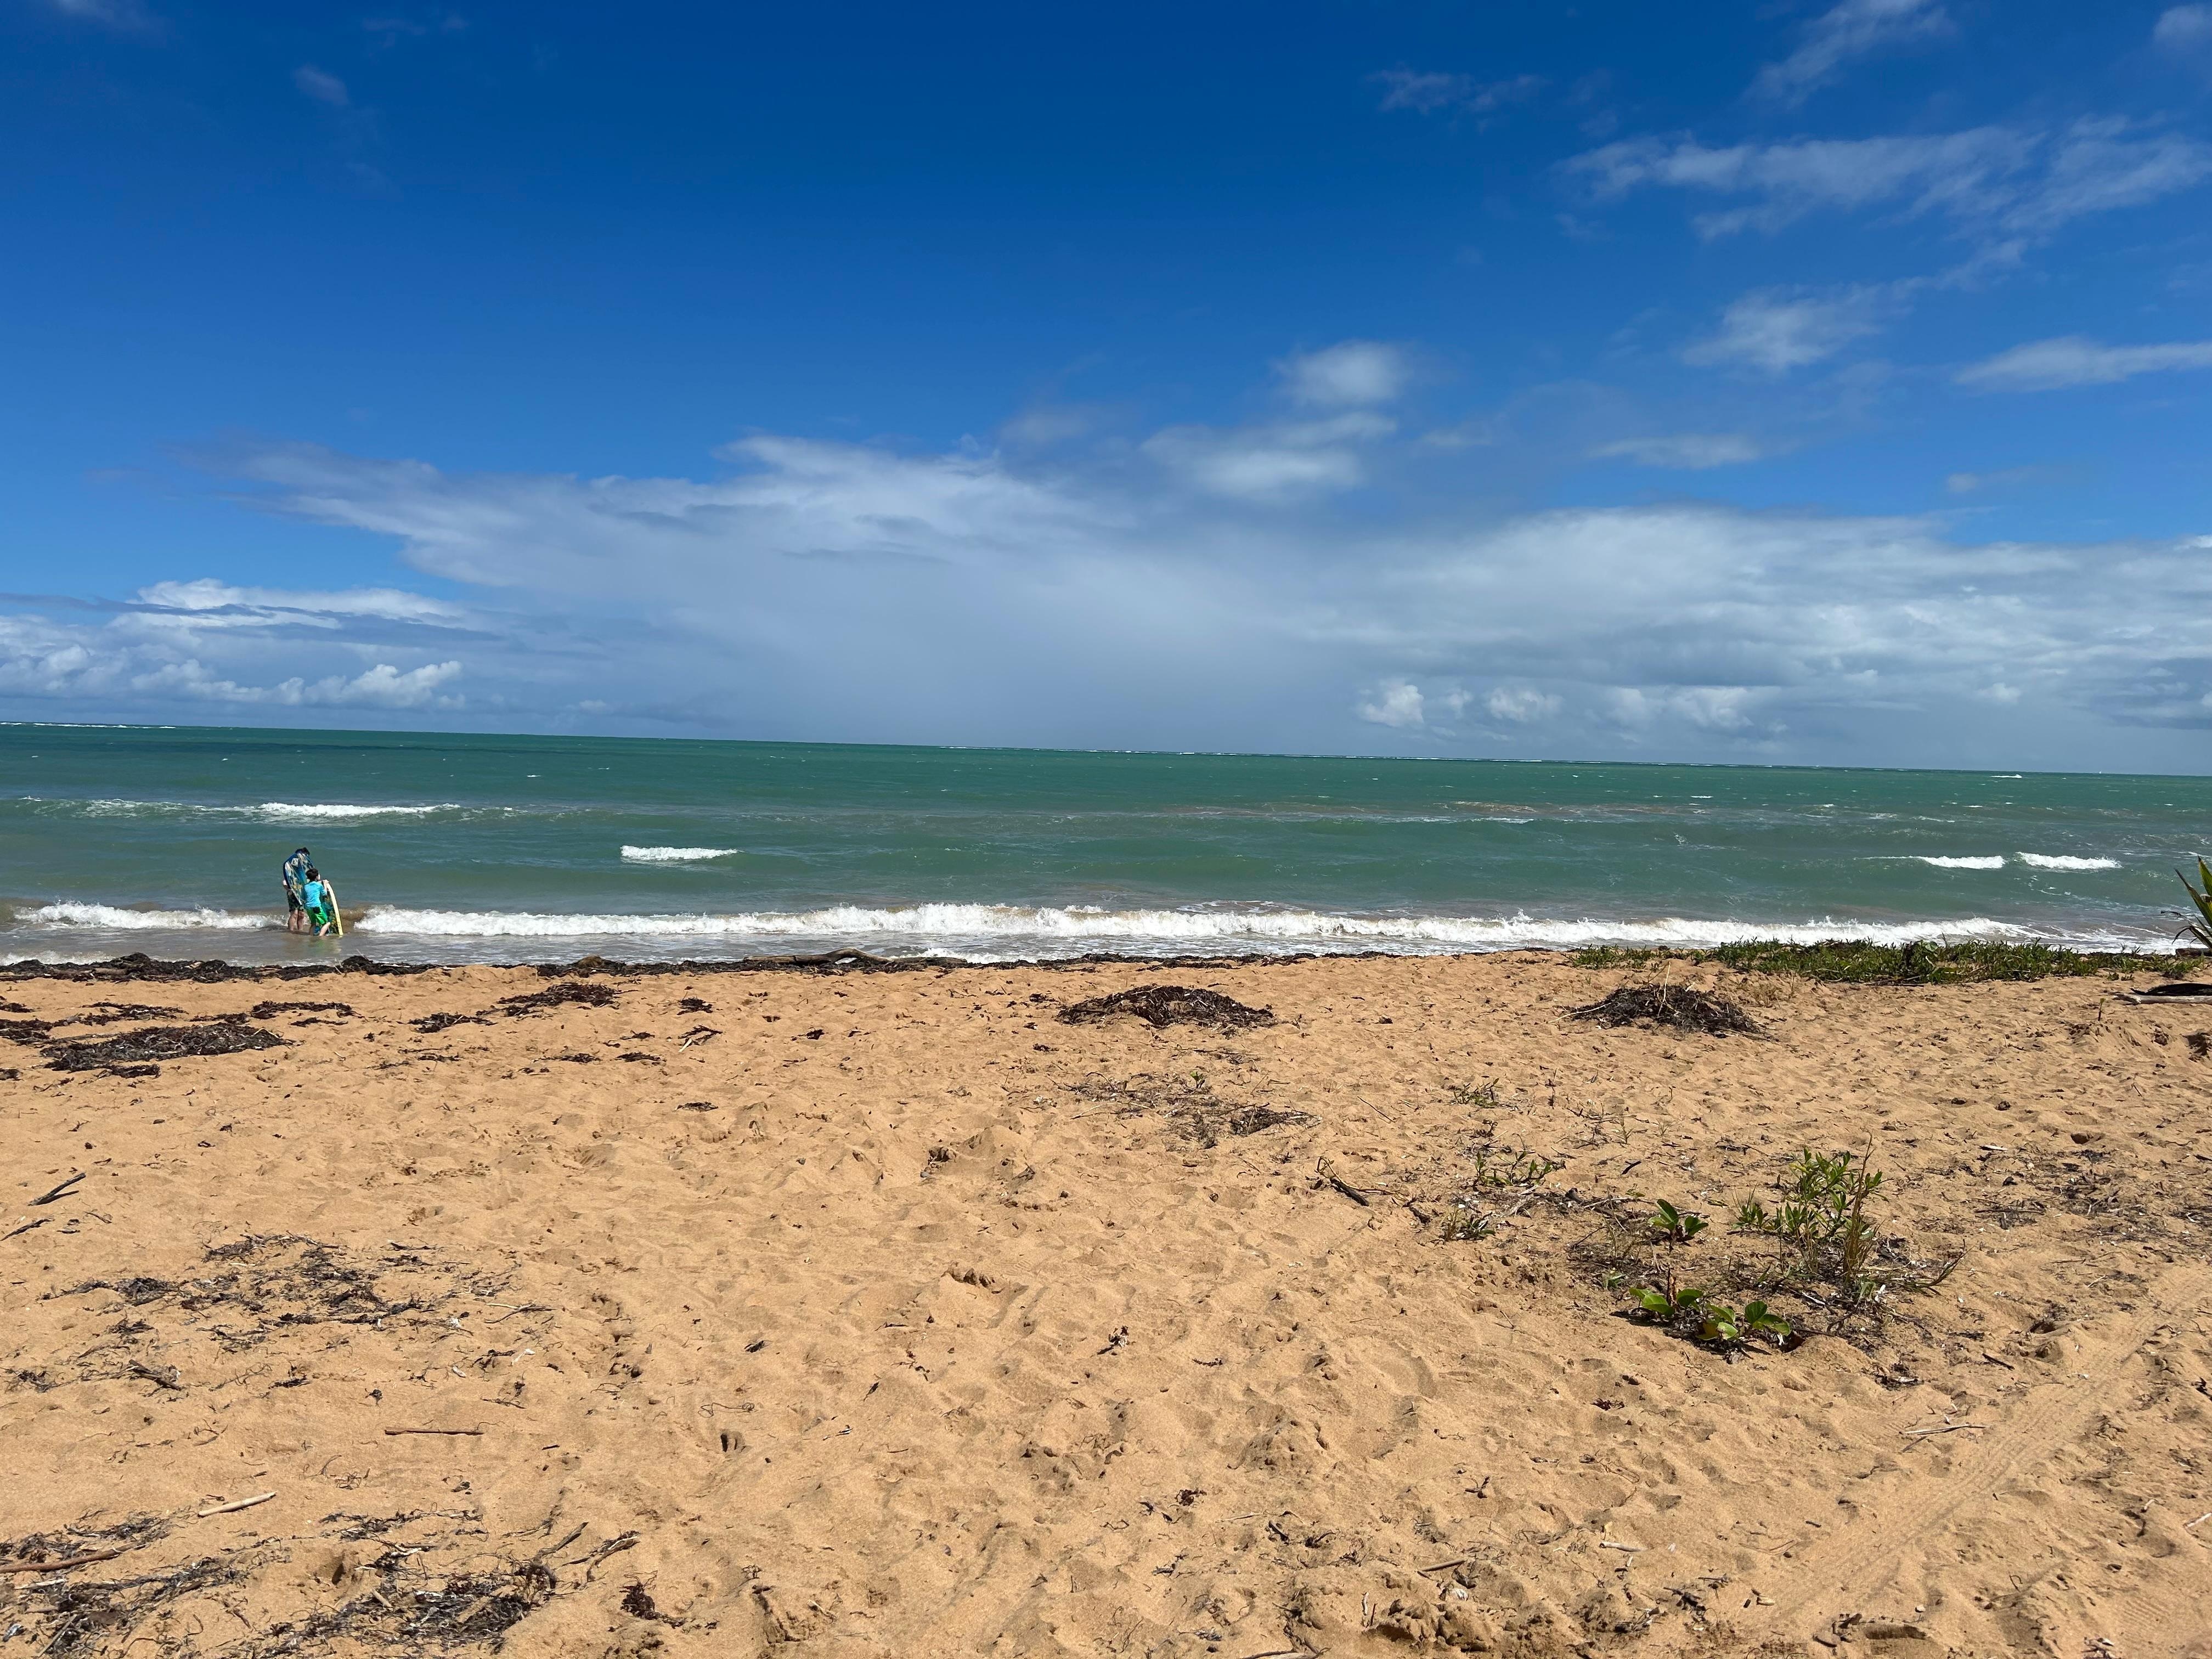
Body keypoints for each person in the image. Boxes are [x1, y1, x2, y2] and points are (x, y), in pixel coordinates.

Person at [300, 866, 341, 936]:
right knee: (327, 923)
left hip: (308, 907)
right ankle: (320, 937)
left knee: (313, 923)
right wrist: (325, 884)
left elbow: (303, 898)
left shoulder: (306, 886)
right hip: (316, 906)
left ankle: (311, 937)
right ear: (316, 877)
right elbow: (325, 894)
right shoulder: (319, 886)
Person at [281, 847, 313, 933]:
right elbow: (285, 882)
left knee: (302, 914)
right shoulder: (292, 867)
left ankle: (300, 931)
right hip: (293, 894)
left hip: (303, 893)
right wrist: (289, 889)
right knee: (295, 914)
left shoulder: (307, 868)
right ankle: (291, 932)